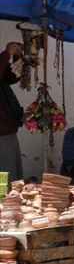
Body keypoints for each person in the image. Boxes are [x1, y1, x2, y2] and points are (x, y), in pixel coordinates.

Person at [0, 42, 24, 185]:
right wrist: (6, 54)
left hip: (7, 131)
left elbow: (11, 77)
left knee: (10, 178)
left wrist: (17, 58)